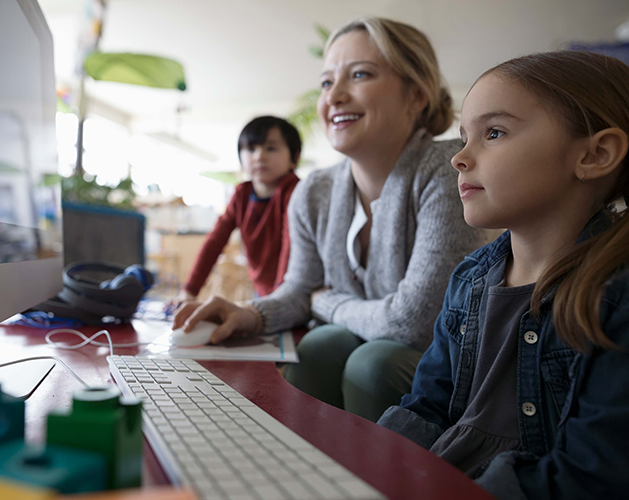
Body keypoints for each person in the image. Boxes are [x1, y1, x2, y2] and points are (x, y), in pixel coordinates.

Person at [174, 17, 487, 422]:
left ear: (417, 95)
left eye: (359, 74)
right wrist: (249, 313)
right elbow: (302, 289)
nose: (334, 95)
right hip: (369, 337)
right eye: (326, 82)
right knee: (316, 348)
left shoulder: (446, 171)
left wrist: (331, 303)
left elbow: (413, 324)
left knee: (374, 363)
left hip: (441, 364)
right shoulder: (315, 190)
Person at [378, 51, 629, 499]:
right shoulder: (470, 278)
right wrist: (362, 468)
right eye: (463, 138)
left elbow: (591, 476)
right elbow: (428, 407)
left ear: (595, 154)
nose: (460, 158)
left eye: (494, 133)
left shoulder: (616, 295)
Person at [175, 116, 301, 302]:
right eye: (251, 149)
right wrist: (189, 291)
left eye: (271, 148)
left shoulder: (296, 192)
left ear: (294, 157)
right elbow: (214, 241)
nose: (259, 156)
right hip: (264, 291)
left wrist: (280, 299)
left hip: (294, 292)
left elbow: (292, 245)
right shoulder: (241, 195)